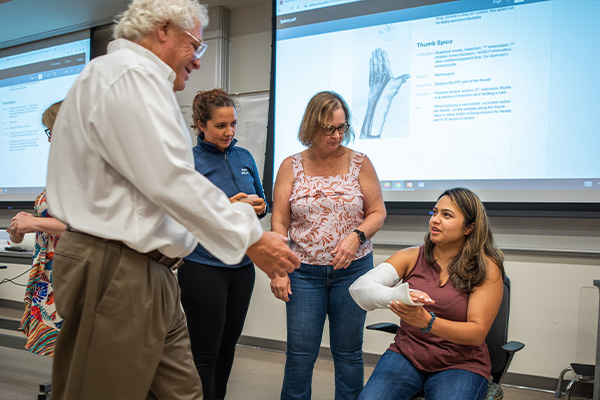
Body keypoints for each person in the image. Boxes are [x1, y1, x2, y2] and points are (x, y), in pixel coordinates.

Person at [44, 1, 299, 399]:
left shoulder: (140, 81)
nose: (197, 61)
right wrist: (252, 238)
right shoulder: (127, 75)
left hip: (153, 270)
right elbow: (171, 179)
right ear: (162, 30)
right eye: (194, 45)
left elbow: (156, 187)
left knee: (184, 392)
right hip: (117, 267)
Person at [270, 91, 387, 400]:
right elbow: (279, 223)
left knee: (348, 353)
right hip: (303, 274)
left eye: (342, 127)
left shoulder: (360, 163)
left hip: (353, 271)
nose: (337, 135)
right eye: (329, 129)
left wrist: (357, 236)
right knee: (300, 355)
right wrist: (278, 271)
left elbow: (377, 212)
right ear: (312, 126)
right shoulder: (290, 167)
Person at [350, 187, 505, 400]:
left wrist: (427, 322)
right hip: (407, 355)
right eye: (434, 212)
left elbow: (476, 333)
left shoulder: (486, 267)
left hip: (461, 363)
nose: (435, 220)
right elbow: (360, 288)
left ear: (469, 227)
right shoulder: (411, 257)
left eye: (447, 215)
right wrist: (396, 297)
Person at [178, 89, 267, 400]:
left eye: (234, 124)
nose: (229, 132)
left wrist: (259, 207)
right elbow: (181, 217)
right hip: (203, 267)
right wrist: (226, 206)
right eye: (220, 126)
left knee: (228, 347)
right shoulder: (188, 162)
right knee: (205, 352)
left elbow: (262, 201)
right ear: (201, 125)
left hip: (241, 268)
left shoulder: (244, 157)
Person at [7, 101, 66, 356]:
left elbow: (82, 226)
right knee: (64, 351)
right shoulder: (62, 167)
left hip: (69, 269)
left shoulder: (85, 169)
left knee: (75, 350)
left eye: (51, 131)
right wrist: (19, 229)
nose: (50, 140)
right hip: (48, 271)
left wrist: (33, 222)